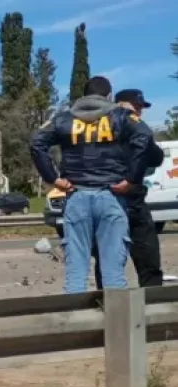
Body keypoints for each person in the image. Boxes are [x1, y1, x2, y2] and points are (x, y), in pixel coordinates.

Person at [30, 76, 153, 293]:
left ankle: (75, 314)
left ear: (84, 95)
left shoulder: (63, 118)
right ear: (109, 96)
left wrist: (53, 178)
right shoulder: (121, 116)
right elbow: (144, 136)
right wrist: (131, 179)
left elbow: (37, 141)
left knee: (76, 272)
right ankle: (115, 315)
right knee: (113, 273)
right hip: (111, 196)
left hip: (76, 196)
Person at [92, 89, 165, 289]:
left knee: (149, 258)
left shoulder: (138, 130)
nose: (138, 112)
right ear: (120, 105)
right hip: (111, 198)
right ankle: (107, 302)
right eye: (135, 107)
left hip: (133, 201)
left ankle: (152, 302)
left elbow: (157, 157)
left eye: (140, 108)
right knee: (108, 261)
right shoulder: (106, 128)